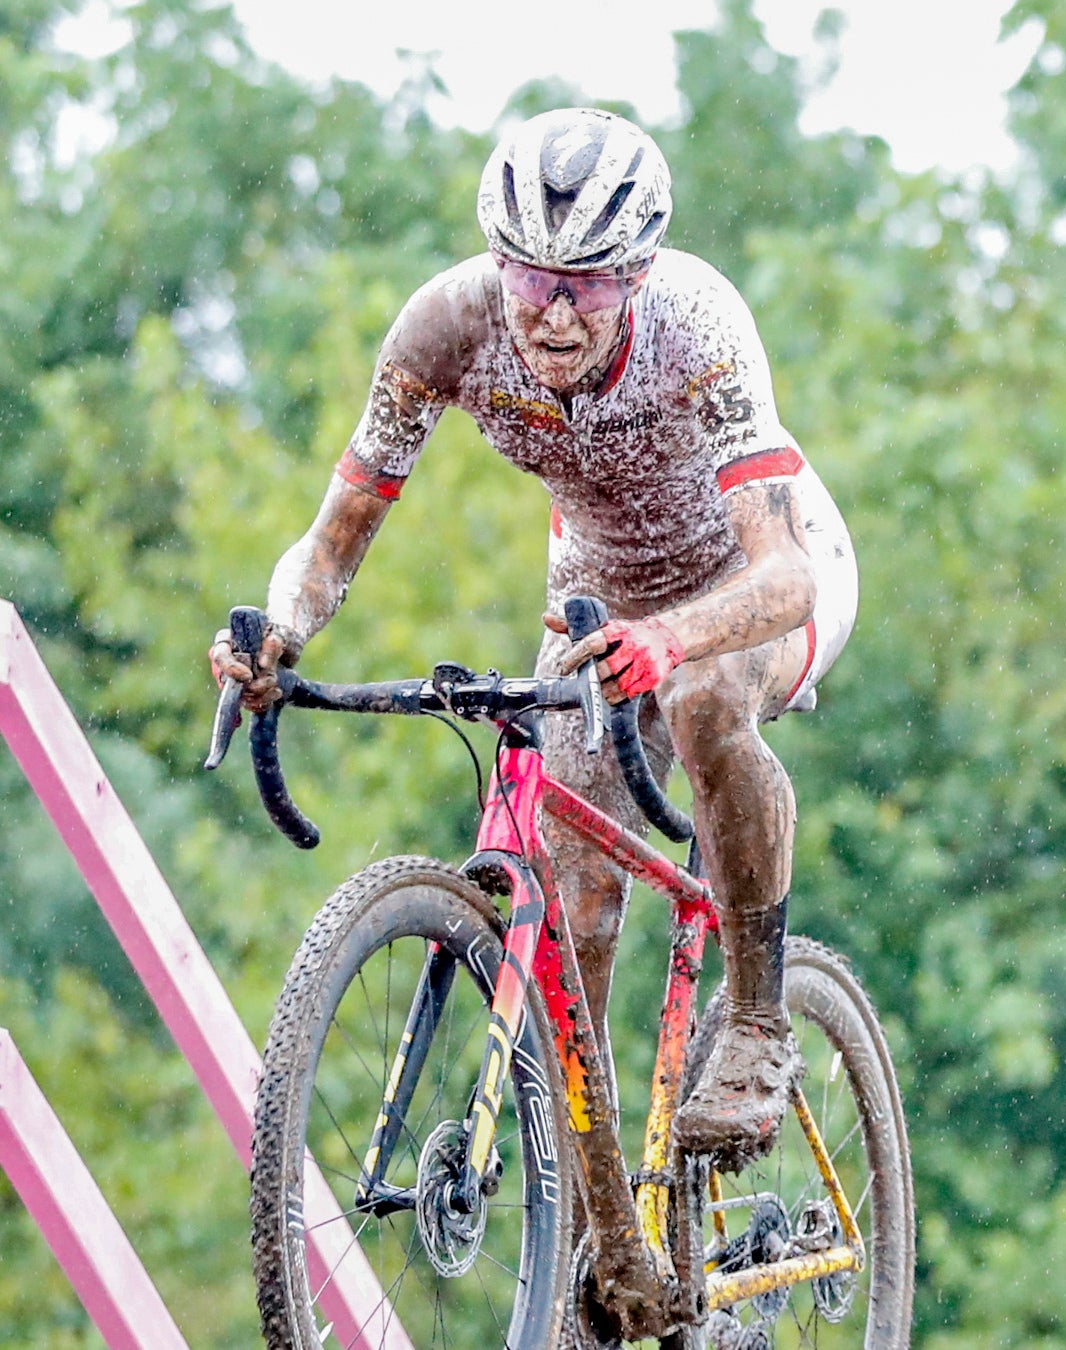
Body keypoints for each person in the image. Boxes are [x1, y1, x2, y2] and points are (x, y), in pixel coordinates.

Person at [207, 108, 858, 1287]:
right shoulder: (447, 329)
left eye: (589, 286)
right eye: (530, 276)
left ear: (639, 273)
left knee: (710, 700)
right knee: (573, 916)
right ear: (494, 259)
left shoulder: (698, 328)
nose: (554, 311)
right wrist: (280, 629)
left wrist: (669, 640)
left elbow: (783, 575)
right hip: (596, 588)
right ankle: (611, 1255)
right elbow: (336, 532)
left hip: (758, 578)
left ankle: (758, 1022)